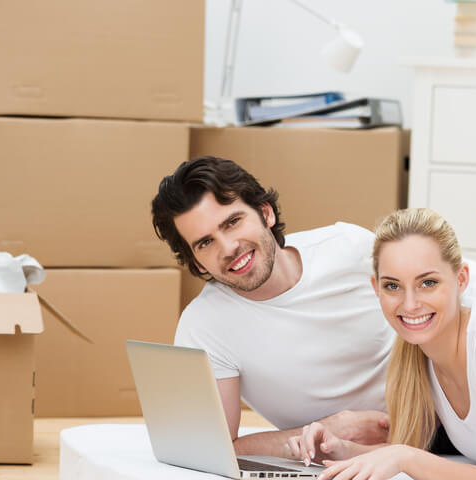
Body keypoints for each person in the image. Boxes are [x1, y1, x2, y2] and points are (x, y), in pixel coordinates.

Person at [290, 208, 476, 480]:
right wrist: (341, 449)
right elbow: (407, 451)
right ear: (376, 289)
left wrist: (405, 458)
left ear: (461, 279)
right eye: (393, 286)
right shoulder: (421, 355)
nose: (410, 304)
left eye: (428, 283)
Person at [151, 156, 395, 459]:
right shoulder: (204, 325)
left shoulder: (349, 247)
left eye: (232, 223)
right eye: (205, 243)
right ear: (196, 260)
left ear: (265, 213)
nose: (227, 248)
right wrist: (326, 429)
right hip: (372, 455)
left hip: (453, 414)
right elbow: (210, 449)